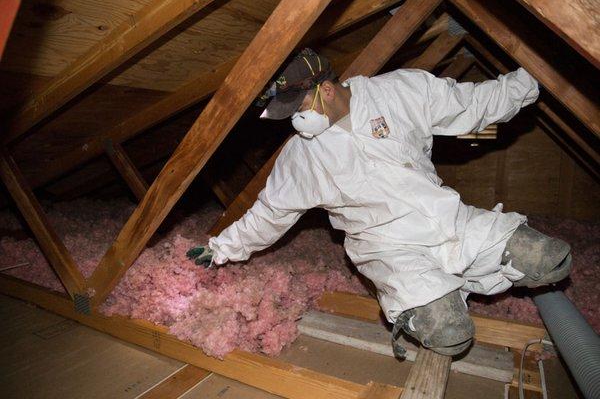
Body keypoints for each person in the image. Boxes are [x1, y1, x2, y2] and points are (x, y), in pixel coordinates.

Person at [186, 48, 571, 357]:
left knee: (550, 258)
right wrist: (222, 248)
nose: (296, 121)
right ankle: (433, 299)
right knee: (451, 334)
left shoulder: (400, 91)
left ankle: (461, 277)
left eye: (300, 108)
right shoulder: (302, 157)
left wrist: (531, 77)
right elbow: (269, 214)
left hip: (448, 219)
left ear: (327, 89)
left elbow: (471, 105)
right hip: (388, 249)